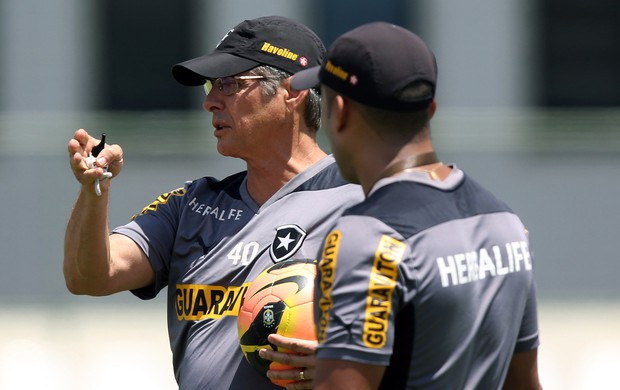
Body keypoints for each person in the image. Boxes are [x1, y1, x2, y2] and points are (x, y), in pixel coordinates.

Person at [63, 15, 362, 390]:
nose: (209, 102)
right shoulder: (191, 205)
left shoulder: (364, 202)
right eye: (210, 85)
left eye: (230, 84)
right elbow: (89, 275)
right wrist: (94, 191)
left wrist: (350, 363)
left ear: (293, 91)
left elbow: (431, 325)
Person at [290, 22, 542, 389]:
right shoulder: (505, 222)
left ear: (340, 111)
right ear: (431, 109)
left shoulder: (367, 235)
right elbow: (525, 383)